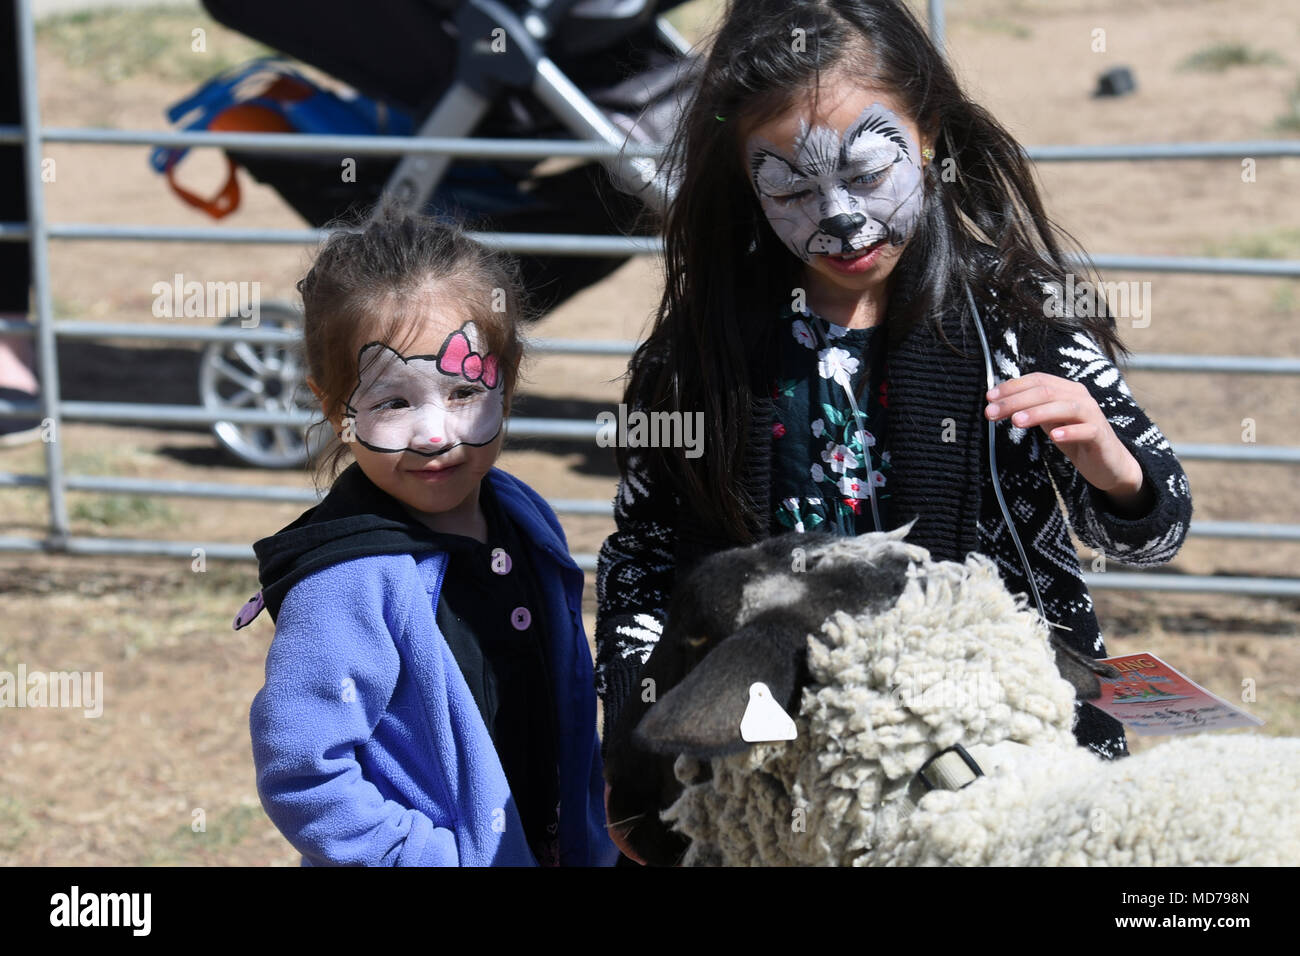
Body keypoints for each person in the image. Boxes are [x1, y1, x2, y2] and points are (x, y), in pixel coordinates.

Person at [596, 0, 1193, 856]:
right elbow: (644, 558)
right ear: (743, 179)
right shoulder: (698, 356)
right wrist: (637, 742)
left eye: (870, 173)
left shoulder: (1020, 324)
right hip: (784, 759)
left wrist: (1109, 463)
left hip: (998, 742)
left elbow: (1156, 530)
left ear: (930, 137)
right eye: (794, 187)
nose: (840, 217)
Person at [239, 206, 617, 866]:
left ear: (510, 377)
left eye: (465, 390)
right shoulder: (344, 581)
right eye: (394, 401)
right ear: (334, 407)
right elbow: (305, 772)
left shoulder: (523, 514)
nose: (435, 433)